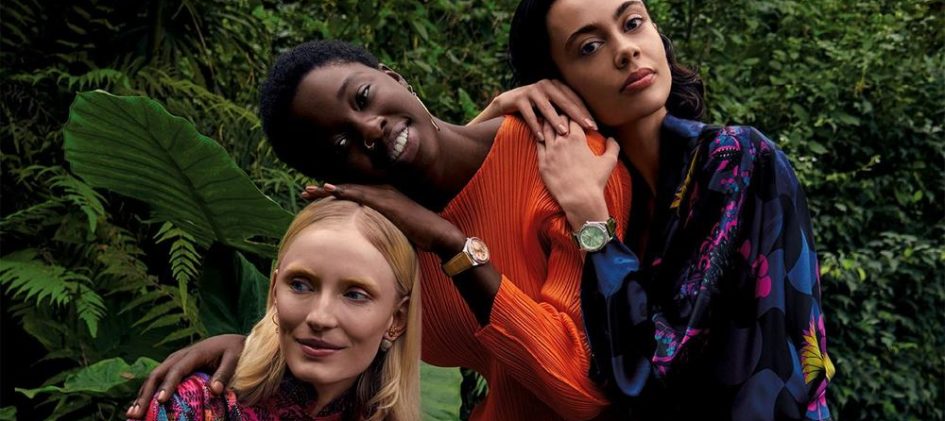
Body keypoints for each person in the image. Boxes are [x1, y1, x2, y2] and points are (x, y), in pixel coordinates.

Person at [127, 40, 631, 421]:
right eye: (340, 143)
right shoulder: (388, 247)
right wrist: (247, 350)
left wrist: (454, 248)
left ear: (394, 77)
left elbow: (579, 389)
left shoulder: (562, 158)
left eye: (364, 96)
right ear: (337, 178)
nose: (369, 128)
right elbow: (329, 334)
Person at [466, 0, 835, 419]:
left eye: (633, 23)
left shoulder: (734, 158)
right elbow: (442, 229)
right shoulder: (602, 193)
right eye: (589, 47)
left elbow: (649, 370)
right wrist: (496, 117)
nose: (626, 50)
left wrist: (592, 224)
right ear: (557, 85)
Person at [131, 199, 421, 421]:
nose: (319, 317)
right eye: (300, 285)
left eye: (355, 295)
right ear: (274, 291)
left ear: (397, 318)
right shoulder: (196, 405)